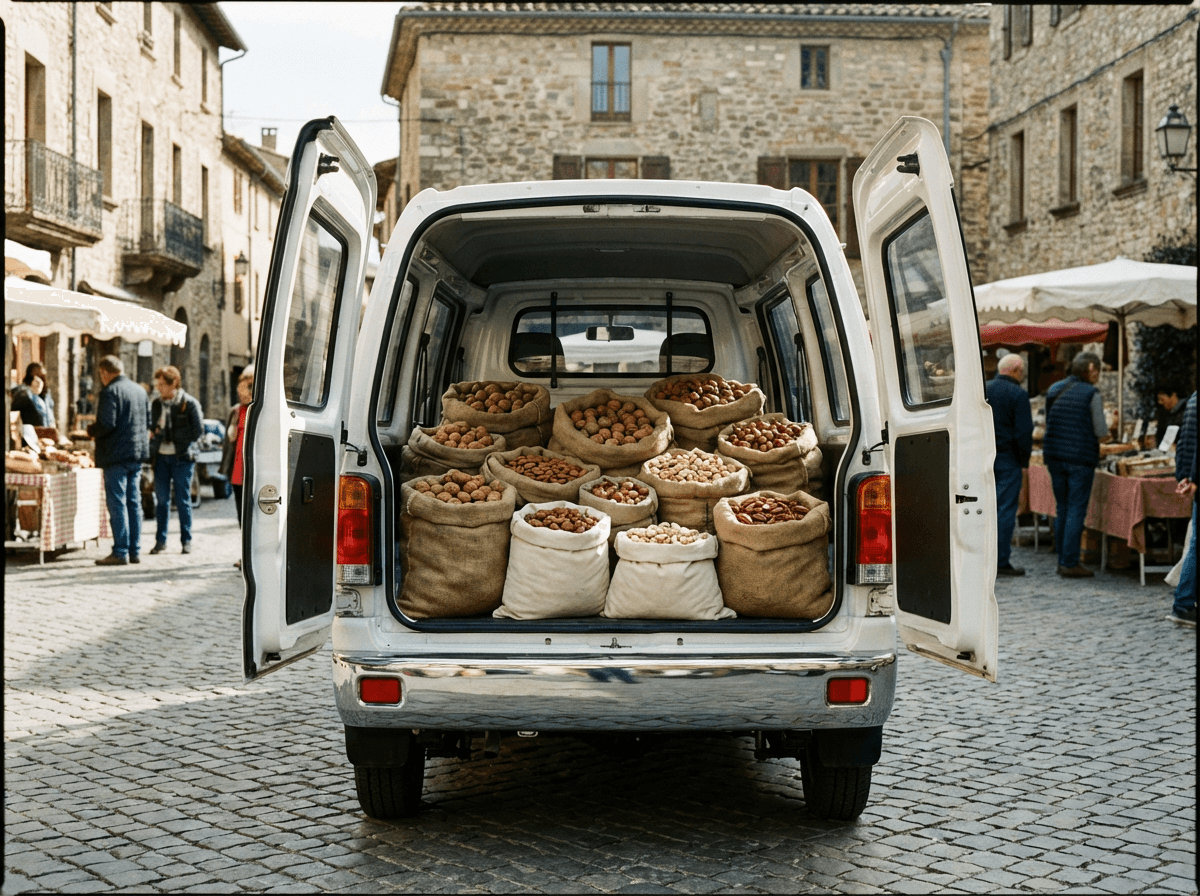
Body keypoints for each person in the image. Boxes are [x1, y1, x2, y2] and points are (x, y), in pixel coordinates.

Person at [1042, 351, 1108, 578]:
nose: (1098, 375)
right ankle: (1069, 562)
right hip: (1080, 457)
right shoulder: (1092, 393)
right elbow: (1100, 430)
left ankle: (1063, 557)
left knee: (1062, 507)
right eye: (1097, 370)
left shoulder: (1054, 389)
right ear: (1091, 369)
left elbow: (1049, 421)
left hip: (1054, 455)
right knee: (1076, 508)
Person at [87, 355, 149, 565]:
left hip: (116, 455)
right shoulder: (140, 390)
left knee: (117, 503)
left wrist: (91, 430)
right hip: (136, 453)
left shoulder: (110, 392)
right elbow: (146, 422)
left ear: (105, 372)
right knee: (134, 502)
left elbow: (106, 423)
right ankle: (135, 550)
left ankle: (120, 551)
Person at [986, 352, 1034, 576]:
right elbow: (1023, 433)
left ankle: (984, 558)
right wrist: (1023, 461)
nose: (1023, 375)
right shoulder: (1018, 394)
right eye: (1022, 371)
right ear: (1015, 370)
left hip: (983, 455)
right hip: (1007, 458)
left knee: (983, 509)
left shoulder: (984, 389)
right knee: (1004, 510)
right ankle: (1000, 560)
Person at [147, 366, 204, 555]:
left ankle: (186, 540)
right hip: (161, 457)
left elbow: (198, 431)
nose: (159, 389)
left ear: (174, 384)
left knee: (182, 500)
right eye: (157, 385)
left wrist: (178, 437)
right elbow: (151, 426)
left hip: (182, 458)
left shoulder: (188, 403)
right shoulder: (156, 404)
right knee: (161, 500)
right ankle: (160, 540)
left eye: (162, 384)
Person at [1167, 391, 1196, 627]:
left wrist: (1184, 475)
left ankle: (1185, 602)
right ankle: (1184, 603)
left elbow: (1186, 442)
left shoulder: (1193, 399)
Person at [220, 366, 254, 568]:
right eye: (238, 390)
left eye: (244, 390)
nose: (240, 394)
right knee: (242, 519)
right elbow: (229, 440)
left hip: (252, 473)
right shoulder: (235, 411)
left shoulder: (257, 411)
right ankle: (245, 556)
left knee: (254, 520)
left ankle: (251, 558)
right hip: (237, 474)